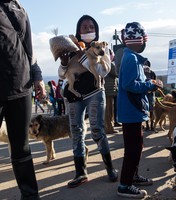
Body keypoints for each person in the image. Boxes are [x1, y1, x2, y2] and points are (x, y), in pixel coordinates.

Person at [58, 15, 118, 188]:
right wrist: (63, 63)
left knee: (97, 130)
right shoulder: (70, 49)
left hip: (95, 93)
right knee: (76, 132)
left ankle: (110, 169)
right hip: (75, 96)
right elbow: (62, 74)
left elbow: (103, 71)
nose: (87, 29)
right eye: (84, 27)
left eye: (91, 27)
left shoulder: (103, 50)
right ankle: (80, 172)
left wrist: (82, 56)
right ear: (78, 30)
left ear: (96, 29)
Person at [0, 0, 46, 199]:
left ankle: (30, 196)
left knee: (22, 147)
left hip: (21, 84)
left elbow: (29, 48)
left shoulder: (19, 7)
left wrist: (37, 76)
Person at [117, 22, 163, 198]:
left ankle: (133, 177)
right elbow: (129, 84)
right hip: (131, 112)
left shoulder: (131, 56)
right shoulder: (130, 58)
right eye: (144, 38)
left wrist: (148, 84)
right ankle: (124, 185)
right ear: (137, 40)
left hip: (133, 111)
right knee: (133, 149)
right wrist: (149, 85)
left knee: (137, 146)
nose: (145, 42)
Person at [104, 59, 119, 134]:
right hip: (109, 90)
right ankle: (109, 128)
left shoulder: (102, 62)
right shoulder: (110, 64)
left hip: (105, 89)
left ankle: (107, 127)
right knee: (109, 111)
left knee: (106, 111)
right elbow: (115, 74)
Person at [143, 60, 156, 131]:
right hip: (145, 93)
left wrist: (152, 90)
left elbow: (155, 83)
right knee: (145, 110)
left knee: (151, 110)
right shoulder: (142, 73)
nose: (145, 66)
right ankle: (147, 125)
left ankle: (151, 125)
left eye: (146, 64)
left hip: (151, 94)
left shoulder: (152, 73)